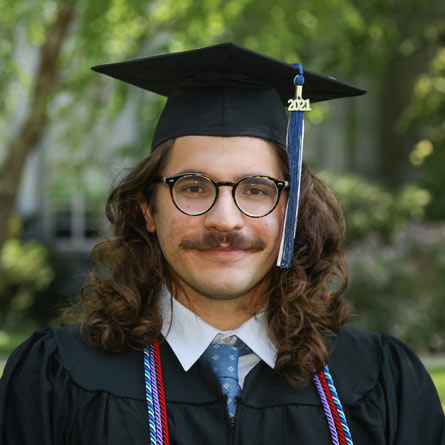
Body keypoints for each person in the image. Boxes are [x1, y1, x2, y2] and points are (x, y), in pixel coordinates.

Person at [1, 43, 444, 445]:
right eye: (192, 187)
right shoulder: (55, 379)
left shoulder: (381, 382)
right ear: (147, 210)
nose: (225, 220)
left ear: (292, 211)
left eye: (256, 188)